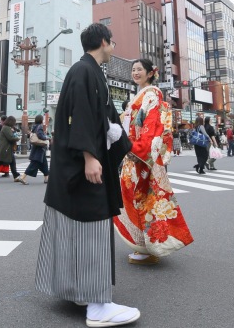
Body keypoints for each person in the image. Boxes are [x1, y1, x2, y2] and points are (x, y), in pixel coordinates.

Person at [35, 23, 139, 327]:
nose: (114, 47)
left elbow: (105, 119)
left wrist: (125, 145)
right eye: (113, 42)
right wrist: (91, 157)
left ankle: (78, 290)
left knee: (75, 228)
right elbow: (79, 114)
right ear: (104, 42)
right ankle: (97, 305)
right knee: (92, 227)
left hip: (78, 166)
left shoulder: (91, 71)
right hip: (82, 166)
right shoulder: (84, 72)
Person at [115, 58, 193, 267]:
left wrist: (138, 149)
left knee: (142, 197)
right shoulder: (142, 95)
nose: (135, 72)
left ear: (150, 73)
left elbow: (152, 125)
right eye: (133, 69)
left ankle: (149, 246)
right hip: (133, 154)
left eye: (139, 69)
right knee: (136, 197)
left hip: (140, 155)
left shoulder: (152, 94)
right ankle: (145, 244)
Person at [0, 116, 22, 183]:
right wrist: (18, 138)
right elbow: (11, 138)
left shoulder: (6, 128)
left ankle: (16, 176)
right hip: (5, 149)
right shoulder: (6, 128)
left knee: (12, 162)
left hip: (6, 149)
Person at [18, 115, 50, 185]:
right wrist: (46, 137)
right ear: (41, 120)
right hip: (39, 148)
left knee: (44, 164)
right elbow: (40, 135)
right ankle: (22, 177)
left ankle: (46, 178)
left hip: (36, 147)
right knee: (34, 164)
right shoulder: (40, 127)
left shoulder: (34, 126)